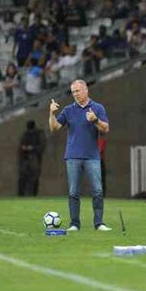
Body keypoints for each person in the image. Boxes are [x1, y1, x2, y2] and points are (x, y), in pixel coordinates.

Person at [48, 79, 111, 231]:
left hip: (92, 155)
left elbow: (106, 129)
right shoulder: (68, 110)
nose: (75, 94)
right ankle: (74, 224)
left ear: (86, 90)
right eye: (73, 91)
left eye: (77, 91)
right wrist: (51, 113)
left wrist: (95, 120)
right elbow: (54, 127)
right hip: (72, 155)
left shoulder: (97, 107)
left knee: (97, 190)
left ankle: (99, 223)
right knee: (73, 192)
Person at [18, 120, 46, 196]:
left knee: (34, 178)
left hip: (34, 158)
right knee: (23, 177)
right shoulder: (26, 134)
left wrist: (32, 148)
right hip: (25, 158)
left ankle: (33, 194)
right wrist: (24, 148)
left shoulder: (38, 134)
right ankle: (22, 194)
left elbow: (41, 146)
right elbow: (21, 146)